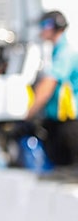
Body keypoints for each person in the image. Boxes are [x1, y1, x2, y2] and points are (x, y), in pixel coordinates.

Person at [24, 10, 78, 167]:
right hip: (59, 121)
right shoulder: (56, 52)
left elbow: (48, 85)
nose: (42, 30)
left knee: (69, 169)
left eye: (44, 25)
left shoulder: (65, 54)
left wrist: (29, 113)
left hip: (69, 123)